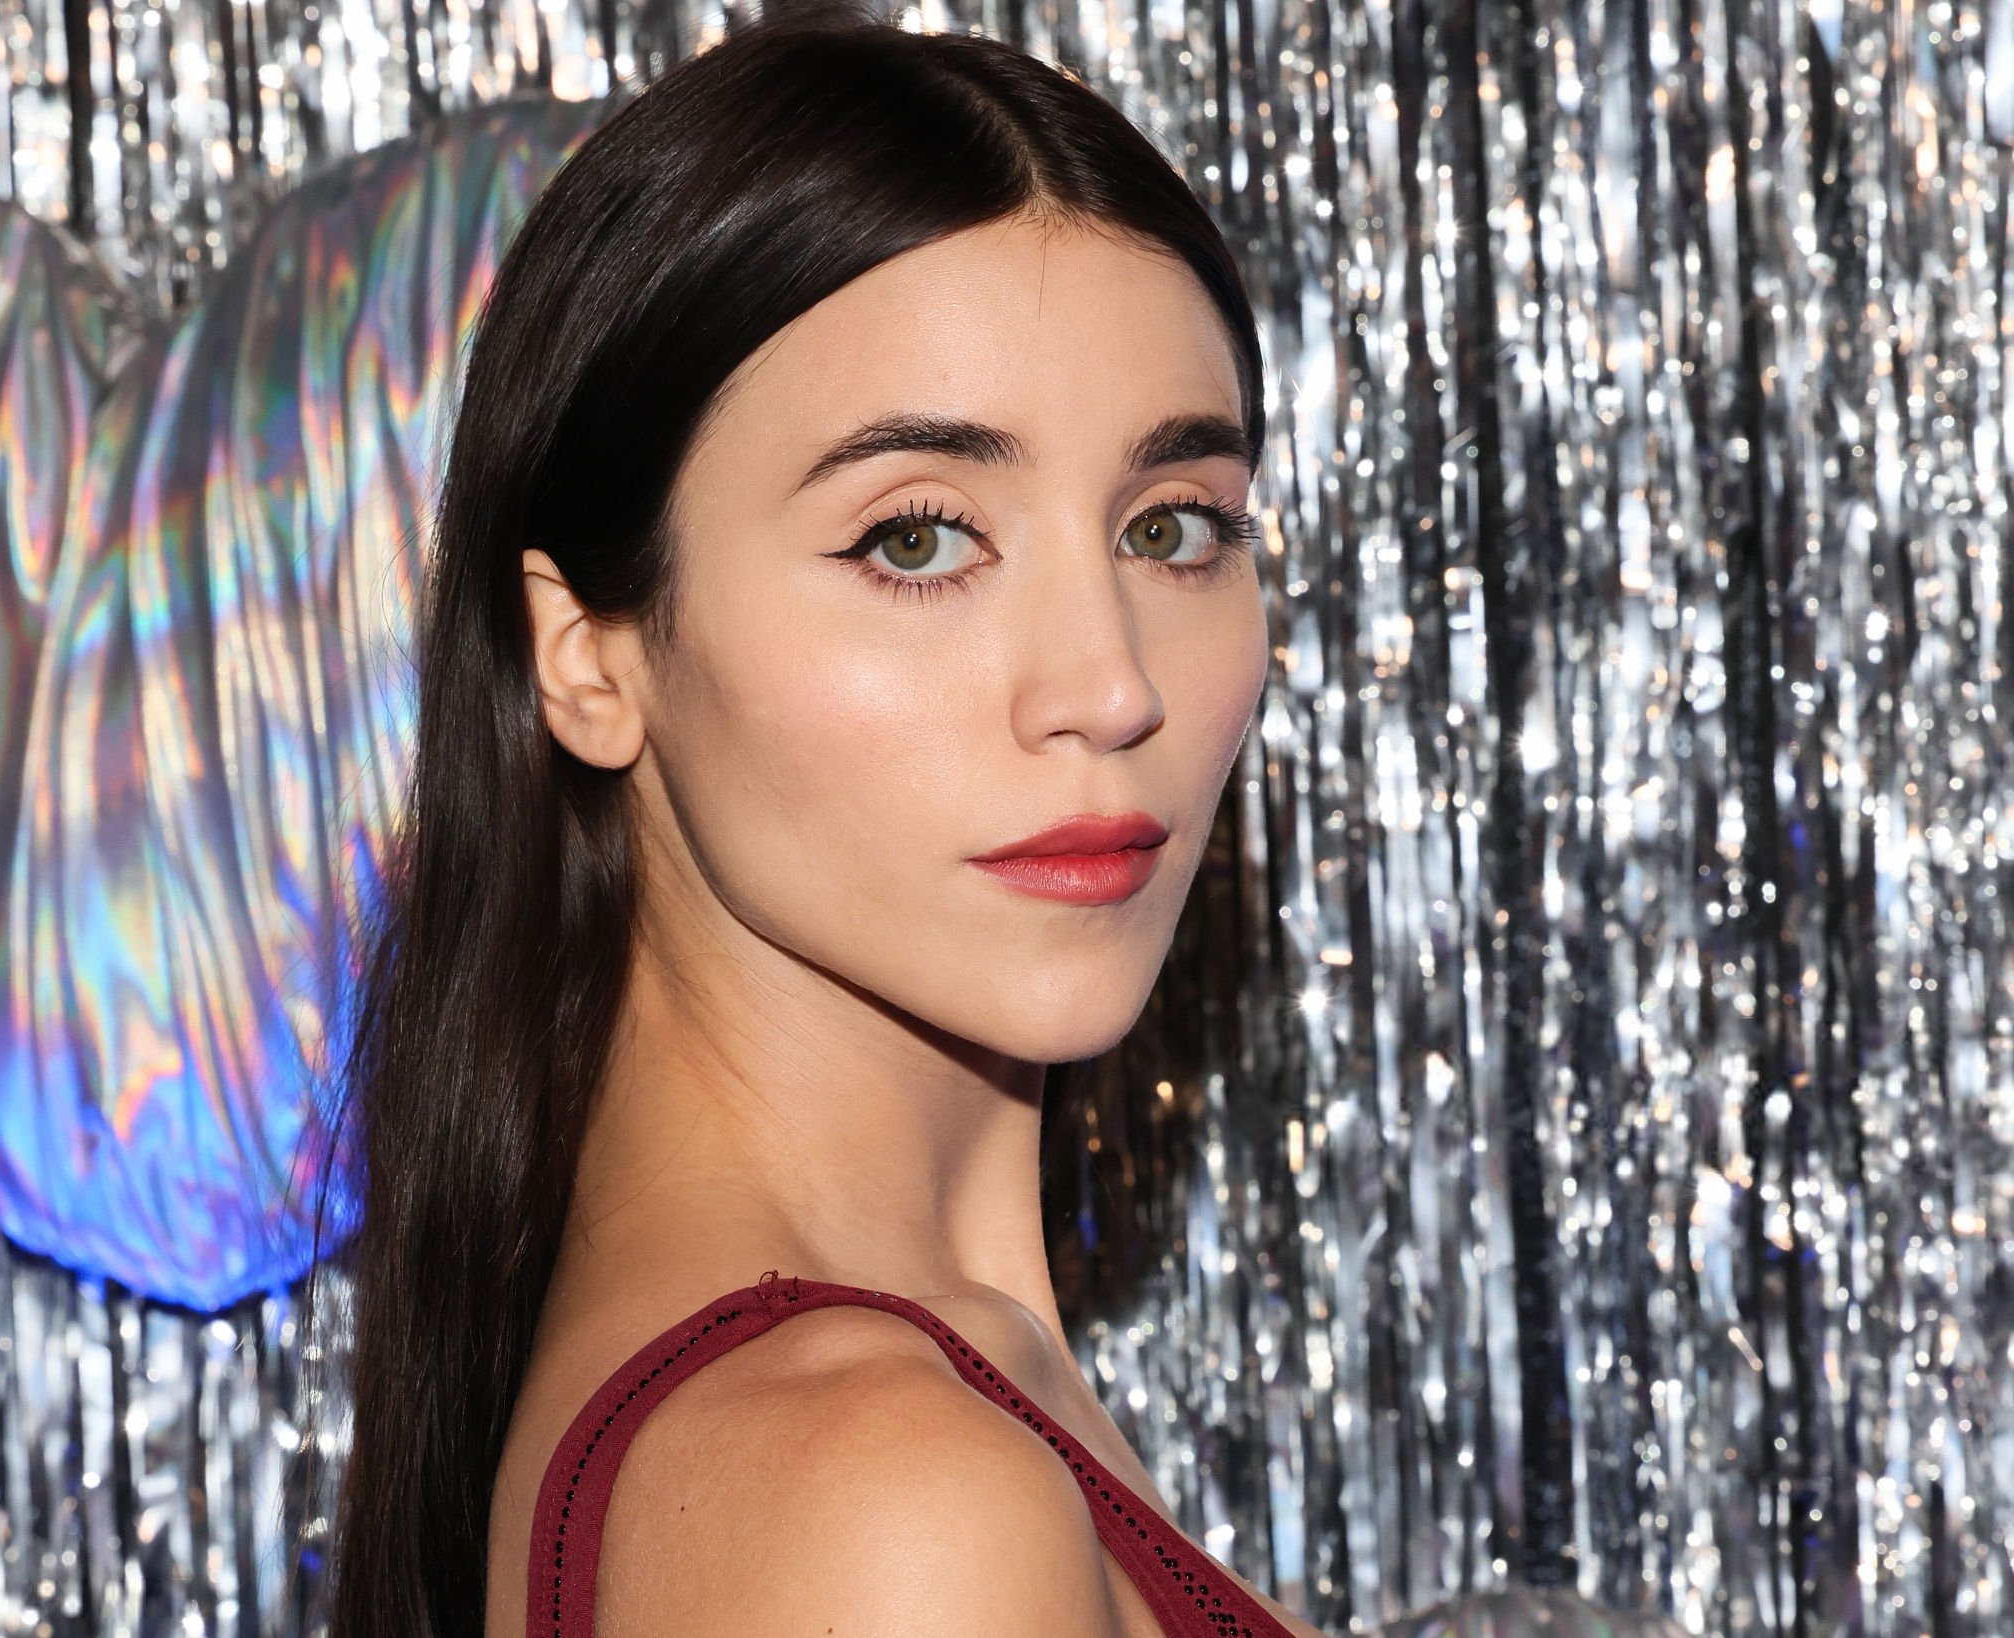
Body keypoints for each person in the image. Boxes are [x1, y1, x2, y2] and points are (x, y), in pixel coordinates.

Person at [328, 12, 1328, 1635]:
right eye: (918, 538)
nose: (1111, 685)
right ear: (586, 655)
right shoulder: (885, 1496)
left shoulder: (866, 1406)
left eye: (1170, 527)